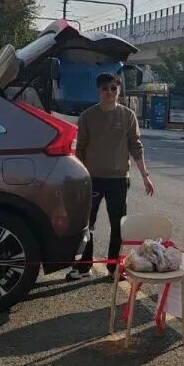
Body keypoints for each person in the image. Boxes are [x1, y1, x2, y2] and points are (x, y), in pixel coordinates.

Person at [66, 73, 155, 281]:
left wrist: (145, 176)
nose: (109, 92)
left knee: (118, 225)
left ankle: (113, 266)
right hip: (92, 179)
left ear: (119, 90)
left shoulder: (127, 115)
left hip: (118, 180)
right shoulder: (87, 116)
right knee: (87, 224)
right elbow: (80, 148)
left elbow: (136, 146)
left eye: (114, 88)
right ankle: (84, 266)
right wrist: (79, 176)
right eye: (105, 88)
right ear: (99, 90)